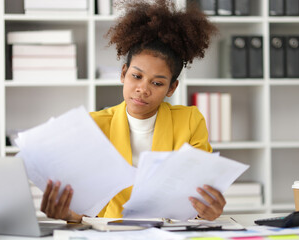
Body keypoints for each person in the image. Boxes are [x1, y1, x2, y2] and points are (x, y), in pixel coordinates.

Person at [41, 0, 225, 223]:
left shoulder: (189, 121)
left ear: (172, 88)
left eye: (157, 83)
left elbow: (197, 196)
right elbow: (83, 207)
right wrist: (66, 214)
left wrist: (207, 211)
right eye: (136, 76)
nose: (143, 89)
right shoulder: (94, 125)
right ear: (123, 74)